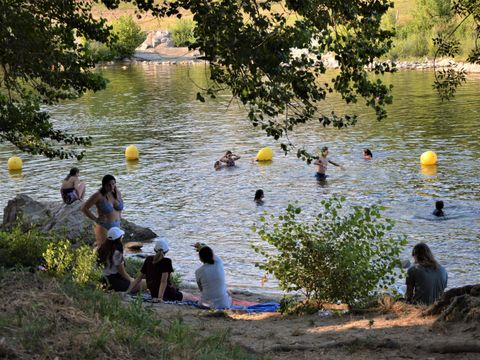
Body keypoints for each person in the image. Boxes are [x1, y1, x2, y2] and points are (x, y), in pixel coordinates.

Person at [127, 239, 195, 302]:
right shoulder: (166, 261)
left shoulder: (148, 259)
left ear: (154, 250)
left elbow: (138, 278)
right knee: (190, 296)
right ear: (167, 251)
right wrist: (160, 298)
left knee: (183, 293)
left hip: (153, 293)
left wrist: (127, 291)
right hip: (167, 293)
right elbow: (163, 282)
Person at [81, 174, 124, 247]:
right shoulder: (98, 195)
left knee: (116, 251)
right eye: (108, 185)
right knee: (104, 251)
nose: (111, 187)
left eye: (113, 184)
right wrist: (96, 219)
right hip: (105, 226)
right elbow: (84, 208)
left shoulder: (117, 193)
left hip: (117, 226)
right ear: (104, 185)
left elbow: (119, 210)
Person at [98, 227, 136, 292]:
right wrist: (132, 280)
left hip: (103, 280)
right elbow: (122, 273)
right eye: (122, 236)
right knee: (144, 283)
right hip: (114, 282)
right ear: (119, 238)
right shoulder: (117, 253)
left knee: (138, 280)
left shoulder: (101, 249)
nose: (122, 237)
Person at [194, 244, 231, 309]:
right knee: (229, 293)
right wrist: (201, 246)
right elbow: (212, 253)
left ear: (200, 258)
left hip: (205, 304)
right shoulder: (219, 262)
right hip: (224, 305)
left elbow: (202, 290)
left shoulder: (198, 272)